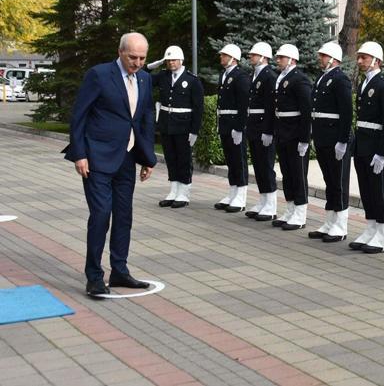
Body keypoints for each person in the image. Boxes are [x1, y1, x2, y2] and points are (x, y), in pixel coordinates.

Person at [65, 32, 157, 297]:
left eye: (142, 58)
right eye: (133, 57)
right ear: (120, 52)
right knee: (101, 214)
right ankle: (94, 276)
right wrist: (80, 154)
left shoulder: (145, 78)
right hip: (96, 159)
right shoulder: (99, 75)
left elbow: (145, 116)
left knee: (124, 216)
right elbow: (79, 116)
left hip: (127, 158)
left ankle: (119, 271)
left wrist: (147, 157)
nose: (138, 63)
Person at [349, 41, 384, 253]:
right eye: (359, 57)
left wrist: (382, 153)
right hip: (362, 145)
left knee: (378, 190)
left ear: (376, 61)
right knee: (366, 189)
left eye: (364, 58)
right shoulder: (364, 84)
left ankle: (383, 234)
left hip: (375, 146)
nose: (360, 61)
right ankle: (371, 229)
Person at [147, 46, 204, 208]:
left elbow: (198, 108)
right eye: (168, 60)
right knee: (171, 158)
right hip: (166, 124)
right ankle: (173, 191)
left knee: (183, 159)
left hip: (184, 126)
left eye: (173, 60)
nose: (171, 63)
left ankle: (184, 193)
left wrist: (194, 130)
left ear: (181, 60)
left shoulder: (192, 80)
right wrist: (152, 66)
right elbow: (141, 77)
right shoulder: (163, 76)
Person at [307, 41, 353, 242]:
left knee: (339, 182)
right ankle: (330, 221)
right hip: (323, 137)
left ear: (333, 59)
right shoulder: (322, 78)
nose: (320, 59)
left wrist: (342, 140)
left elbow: (346, 112)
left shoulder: (340, 79)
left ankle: (340, 225)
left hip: (335, 138)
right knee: (329, 181)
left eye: (323, 56)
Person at [271, 44, 313, 230]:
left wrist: (305, 139)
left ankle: (300, 213)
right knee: (287, 173)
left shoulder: (300, 79)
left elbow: (306, 111)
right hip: (283, 131)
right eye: (278, 57)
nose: (278, 60)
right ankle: (290, 209)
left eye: (282, 57)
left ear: (292, 60)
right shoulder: (281, 78)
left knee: (298, 174)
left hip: (295, 134)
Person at [244, 42, 279, 221]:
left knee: (266, 165)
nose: (251, 57)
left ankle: (271, 205)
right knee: (258, 165)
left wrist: (268, 130)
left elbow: (270, 107)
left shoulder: (269, 77)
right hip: (254, 126)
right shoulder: (255, 75)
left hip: (263, 127)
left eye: (254, 55)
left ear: (264, 57)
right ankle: (263, 200)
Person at [214, 43, 250, 212]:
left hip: (235, 124)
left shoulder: (240, 76)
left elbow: (244, 104)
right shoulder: (225, 74)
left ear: (233, 58)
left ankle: (241, 196)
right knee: (230, 160)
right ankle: (232, 192)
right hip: (226, 123)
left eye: (224, 55)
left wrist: (239, 127)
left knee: (239, 160)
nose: (221, 57)